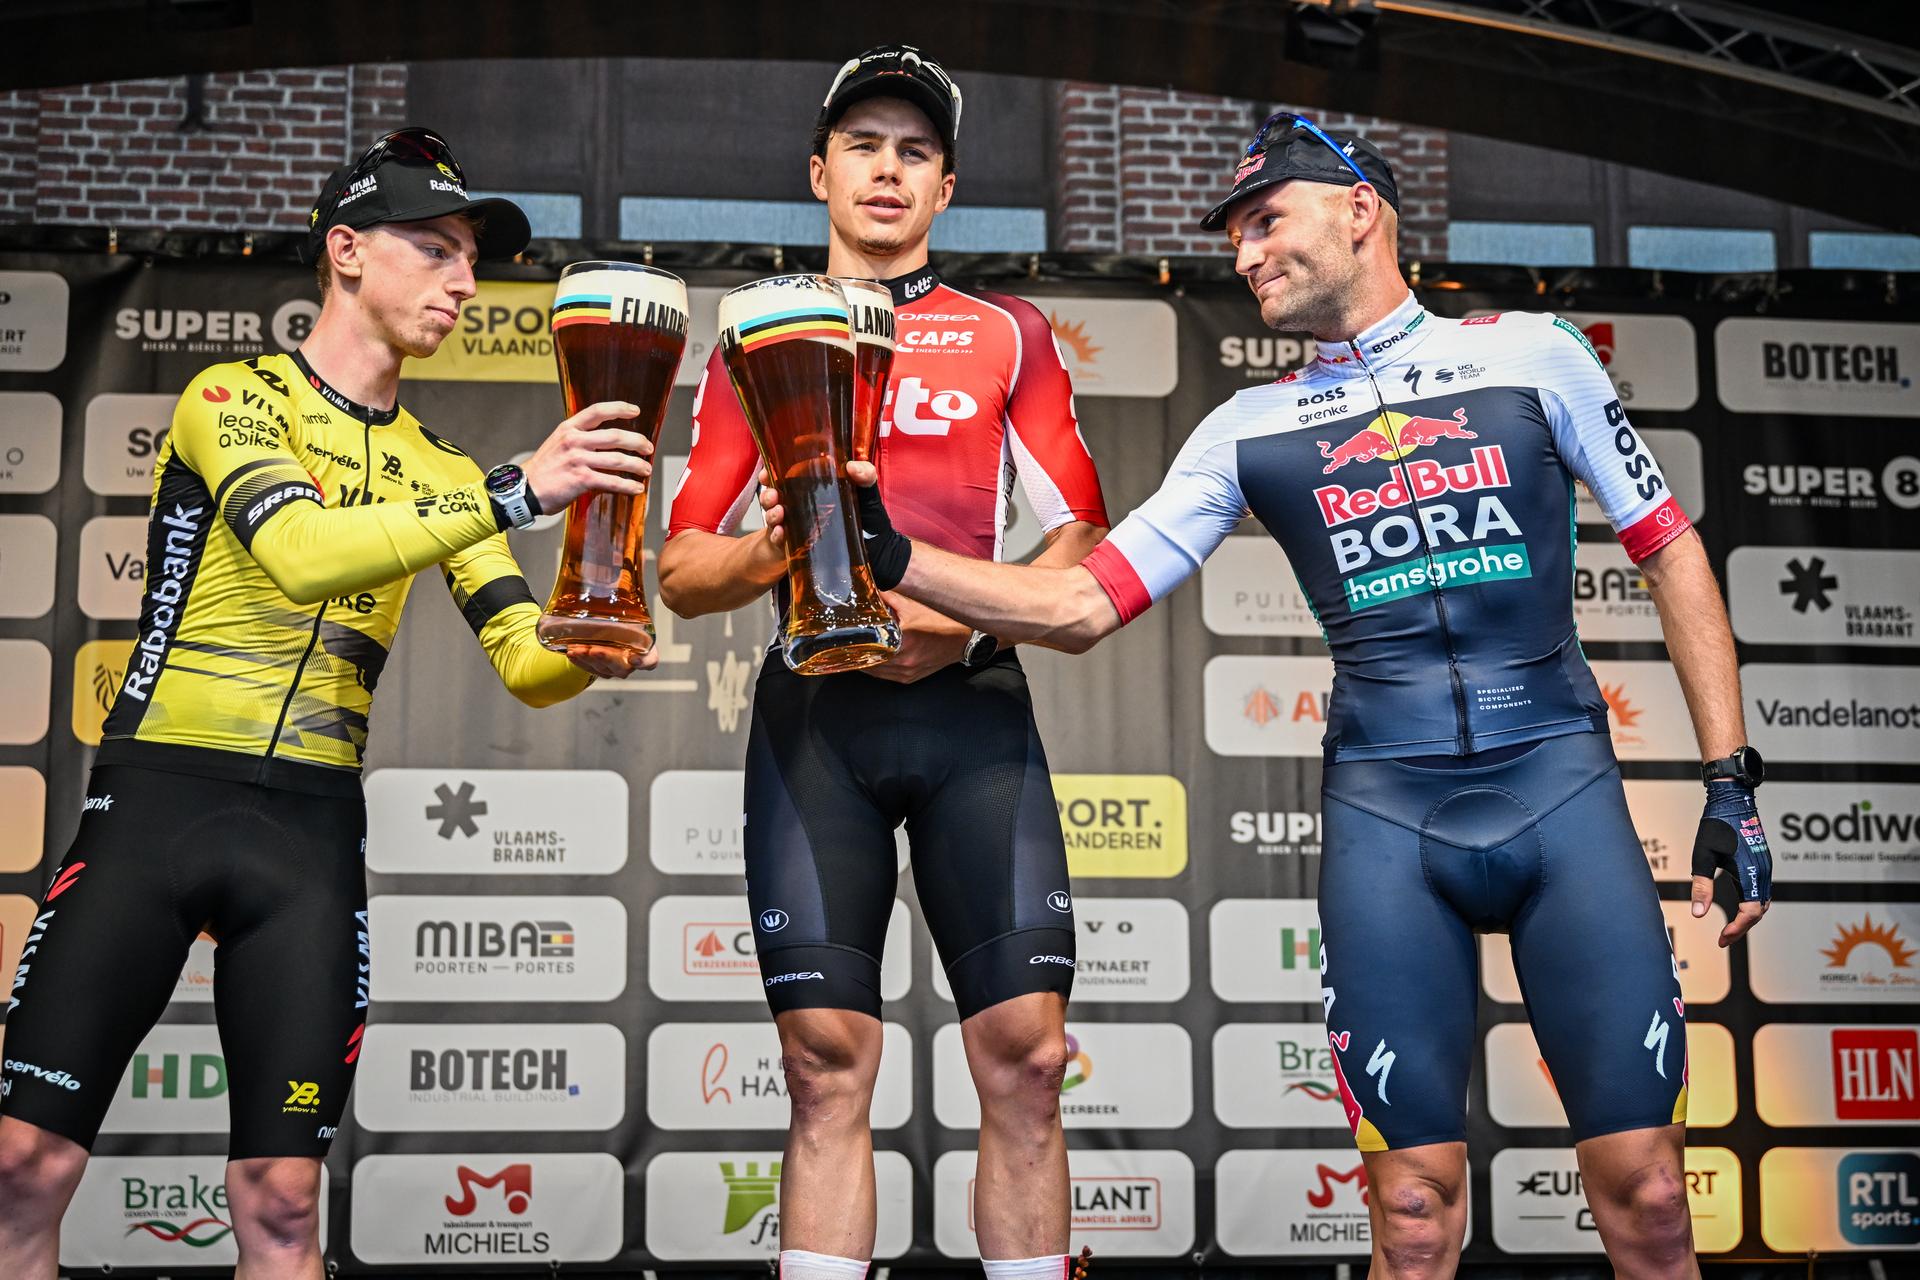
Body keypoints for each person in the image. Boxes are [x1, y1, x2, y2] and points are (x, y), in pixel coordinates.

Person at [794, 115, 1774, 1279]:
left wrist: (1730, 780)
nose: (1247, 253)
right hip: (1387, 818)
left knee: (1654, 1192)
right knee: (1411, 1212)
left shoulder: (1538, 353)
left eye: (1267, 222)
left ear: (1360, 208)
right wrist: (890, 555)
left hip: (1560, 788)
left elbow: (1669, 550)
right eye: (1236, 236)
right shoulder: (1246, 429)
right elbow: (1083, 604)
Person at [0, 127, 655, 1280]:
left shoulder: (445, 468)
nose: (465, 281)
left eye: (472, 259)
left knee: (285, 1202)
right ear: (346, 251)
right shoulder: (232, 397)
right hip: (159, 799)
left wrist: (609, 625)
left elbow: (522, 662)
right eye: (436, 249)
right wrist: (519, 488)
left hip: (307, 831)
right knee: (24, 1167)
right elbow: (299, 552)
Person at [659, 45, 1108, 1280]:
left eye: (916, 152)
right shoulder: (752, 337)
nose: (888, 170)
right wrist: (792, 542)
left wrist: (970, 617)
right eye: (864, 145)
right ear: (819, 172)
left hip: (972, 710)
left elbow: (1080, 531)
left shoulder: (1006, 333)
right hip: (821, 716)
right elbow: (682, 570)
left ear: (947, 189)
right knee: (823, 1058)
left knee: (1023, 1052)